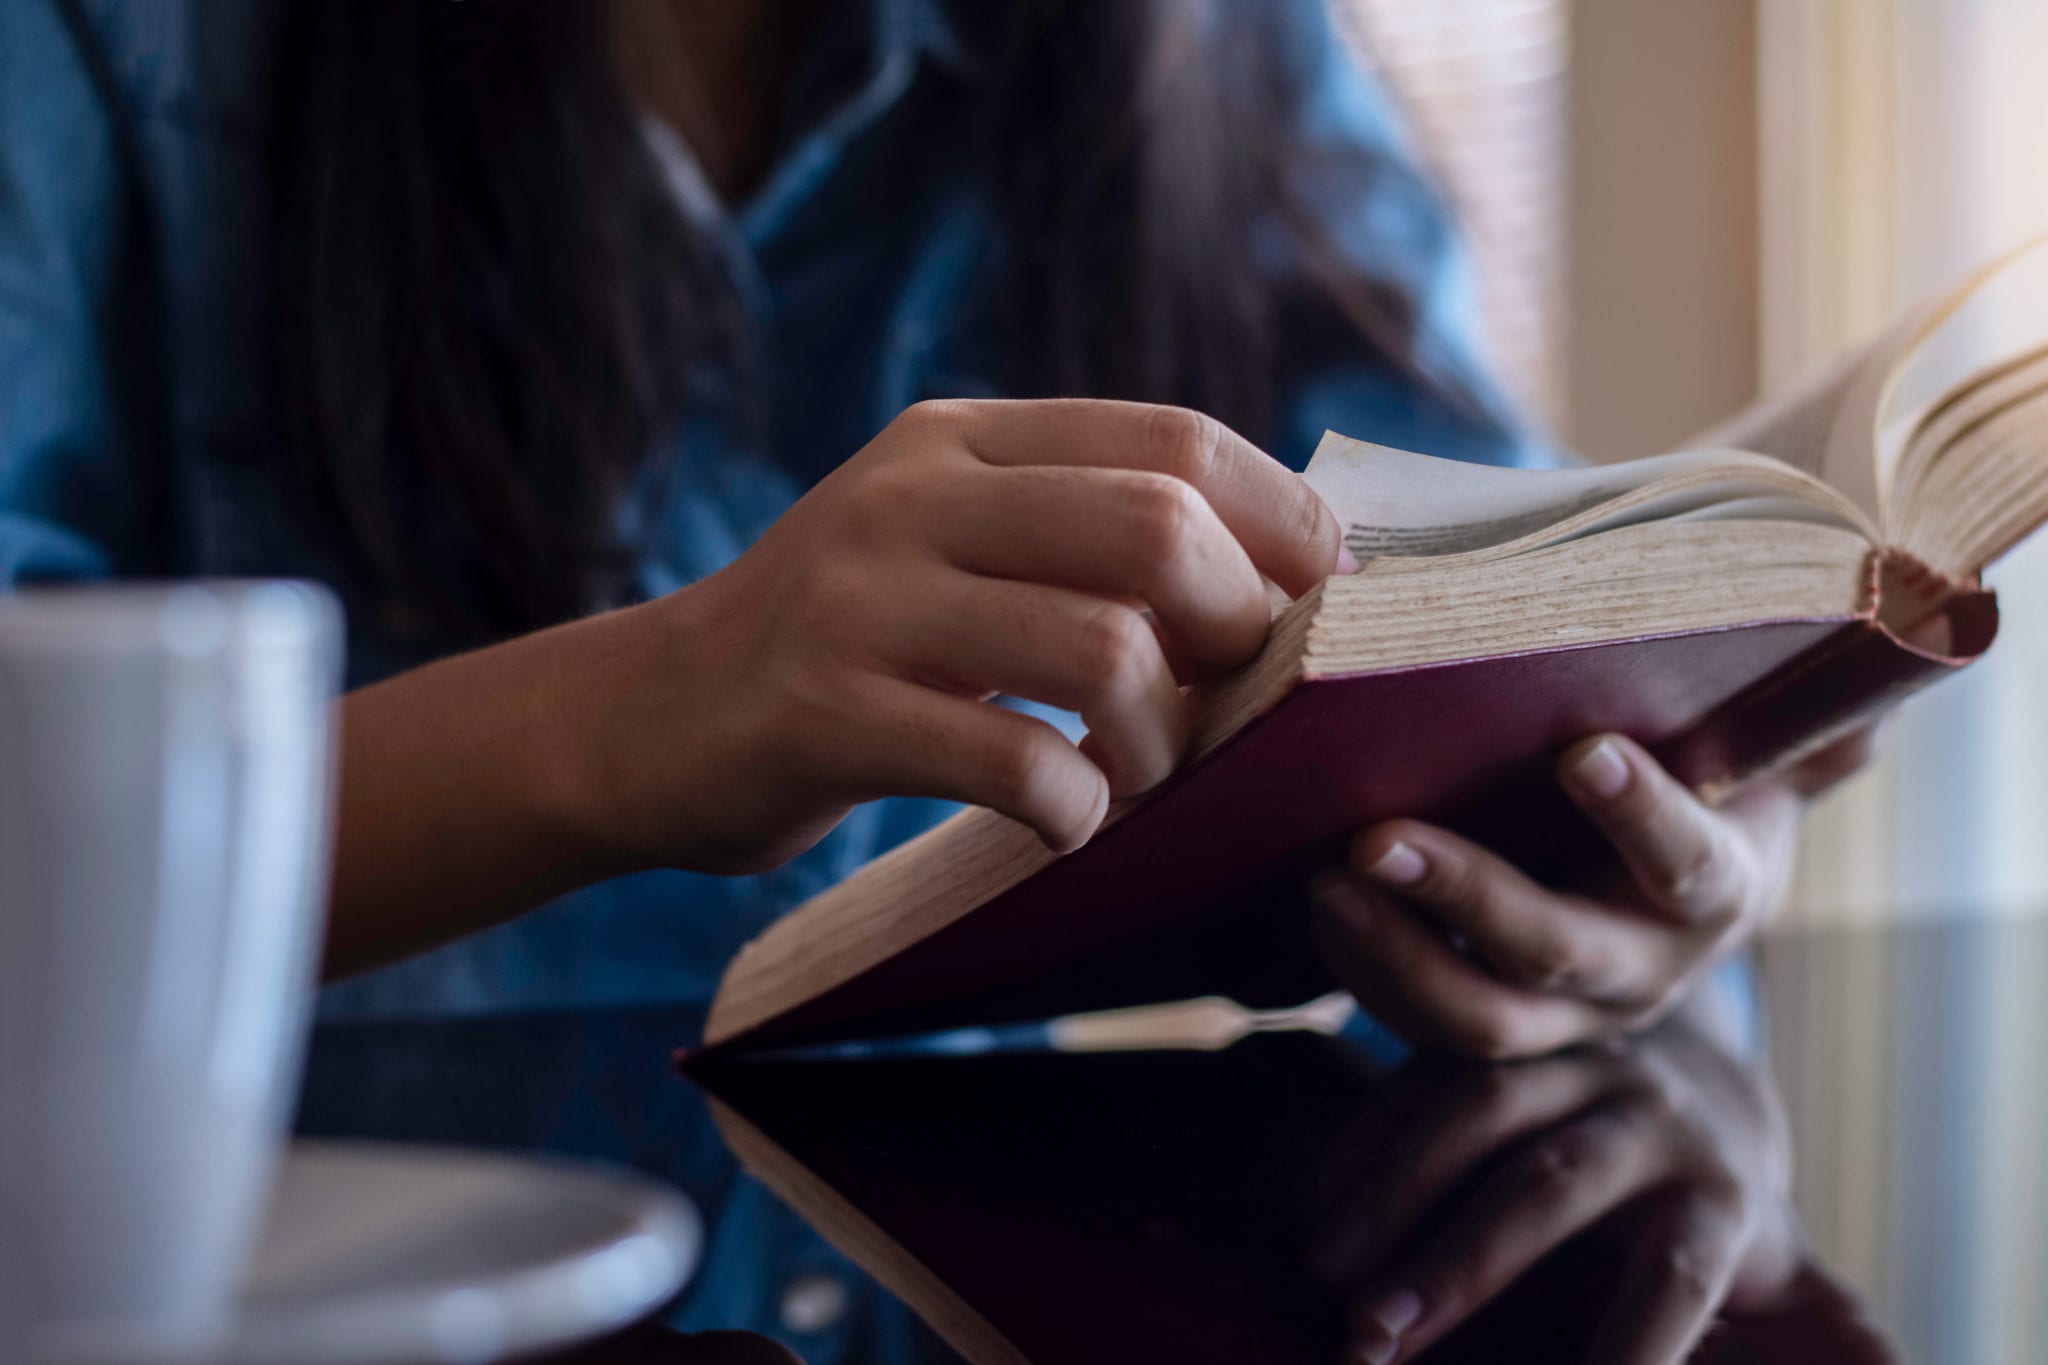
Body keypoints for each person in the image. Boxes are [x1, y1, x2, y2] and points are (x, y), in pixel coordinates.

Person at [3, 0, 1864, 1351]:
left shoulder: (1199, 53)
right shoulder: (113, 62)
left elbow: (1489, 623)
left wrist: (1638, 849)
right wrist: (631, 712)